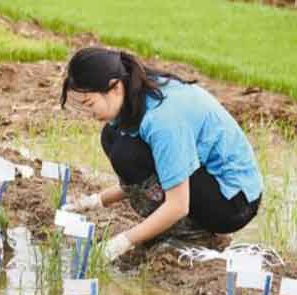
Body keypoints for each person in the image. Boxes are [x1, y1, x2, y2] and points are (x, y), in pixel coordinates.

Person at [60, 47, 263, 261]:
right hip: (206, 183)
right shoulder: (136, 91)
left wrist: (123, 241)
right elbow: (156, 173)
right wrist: (96, 201)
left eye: (90, 104)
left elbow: (178, 204)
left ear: (115, 87)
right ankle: (171, 228)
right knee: (113, 136)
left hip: (232, 204)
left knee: (127, 152)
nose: (89, 114)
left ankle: (195, 236)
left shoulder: (162, 119)